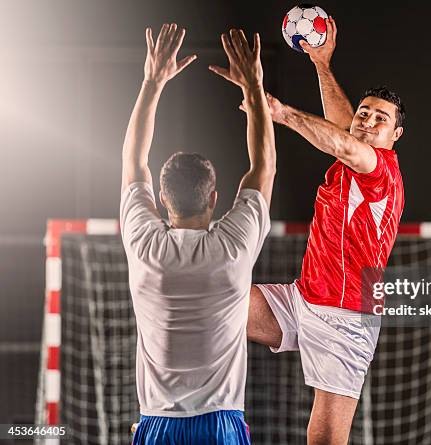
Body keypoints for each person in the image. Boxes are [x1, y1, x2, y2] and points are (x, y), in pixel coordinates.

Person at [245, 17, 405, 445]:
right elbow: (345, 128)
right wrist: (321, 63)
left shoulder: (379, 170)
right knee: (215, 303)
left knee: (325, 439)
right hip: (303, 298)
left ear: (396, 135)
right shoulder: (355, 152)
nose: (368, 121)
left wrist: (280, 113)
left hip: (346, 316)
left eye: (381, 120)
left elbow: (342, 141)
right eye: (365, 113)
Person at [120, 23, 275, 444]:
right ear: (215, 197)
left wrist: (152, 82)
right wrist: (253, 88)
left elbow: (133, 163)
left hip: (157, 425)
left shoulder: (144, 246)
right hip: (220, 423)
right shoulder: (231, 249)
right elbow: (263, 168)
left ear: (162, 201)